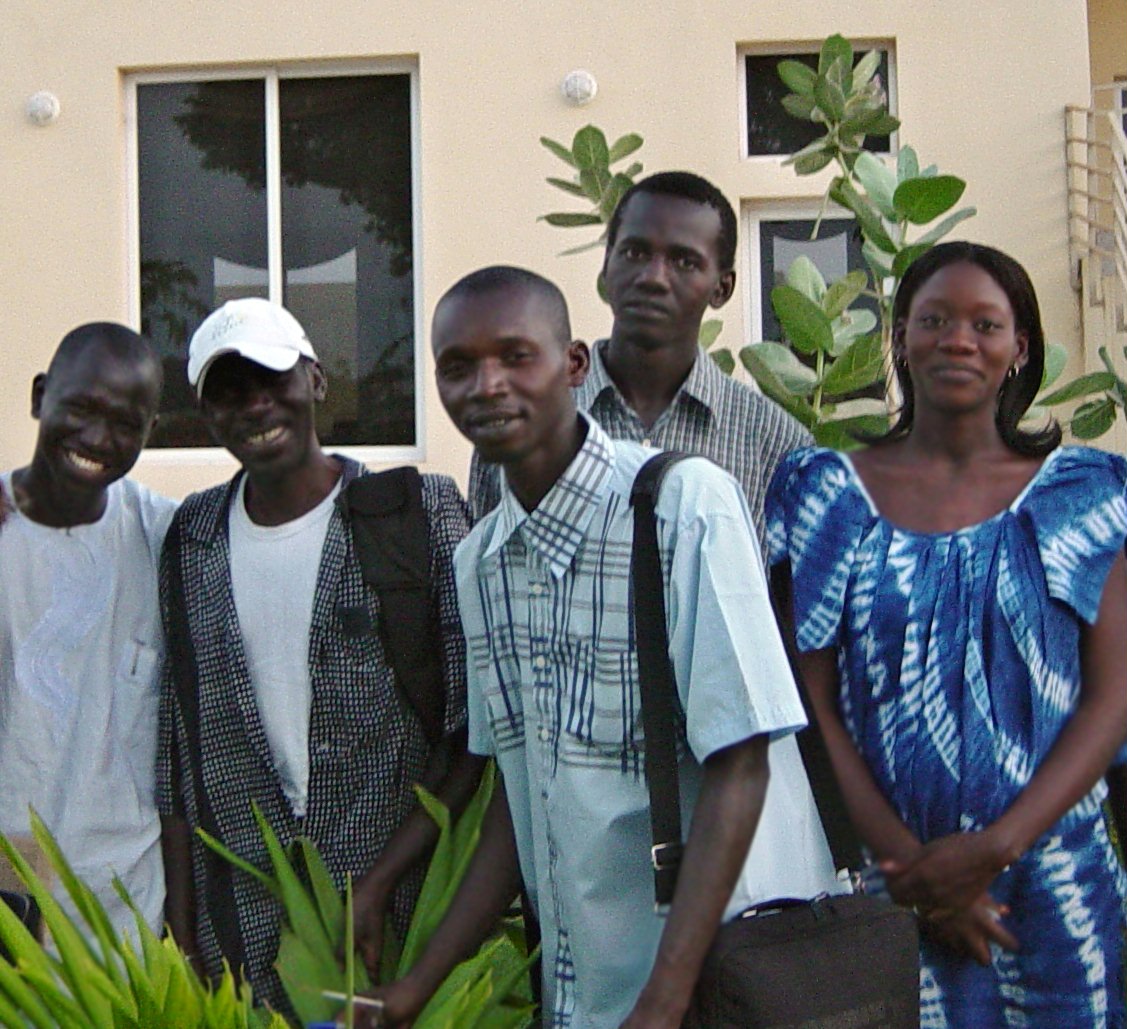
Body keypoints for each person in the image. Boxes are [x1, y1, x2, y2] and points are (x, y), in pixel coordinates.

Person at [366, 266, 841, 1029]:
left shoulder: (681, 505)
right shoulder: (479, 561)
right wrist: (414, 987)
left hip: (719, 986)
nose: (485, 385)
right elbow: (518, 803)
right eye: (458, 367)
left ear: (574, 365)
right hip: (586, 993)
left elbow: (741, 761)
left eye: (515, 356)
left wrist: (663, 997)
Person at [767, 241, 1127, 1026]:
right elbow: (808, 701)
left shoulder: (1089, 494)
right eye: (931, 320)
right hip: (875, 897)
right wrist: (910, 871)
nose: (956, 339)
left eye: (982, 323)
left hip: (1054, 889)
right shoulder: (823, 494)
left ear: (1017, 347)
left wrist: (990, 850)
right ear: (897, 338)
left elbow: (1112, 698)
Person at [156, 298, 479, 1013]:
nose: (256, 406)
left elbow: (473, 730)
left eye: (273, 380)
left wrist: (383, 879)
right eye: (229, 393)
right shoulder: (193, 536)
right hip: (244, 927)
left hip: (402, 914)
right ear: (207, 414)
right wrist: (182, 924)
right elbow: (180, 749)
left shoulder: (414, 511)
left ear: (316, 380)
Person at [468, 171, 809, 550]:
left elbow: (784, 604)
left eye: (684, 262)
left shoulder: (774, 443)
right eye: (634, 253)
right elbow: (483, 584)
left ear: (722, 288)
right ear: (606, 266)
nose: (653, 278)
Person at [0, 322, 173, 937]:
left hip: (127, 909)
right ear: (39, 396)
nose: (98, 438)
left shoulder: (165, 538)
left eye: (126, 423)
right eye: (79, 408)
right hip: (11, 895)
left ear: (151, 432)